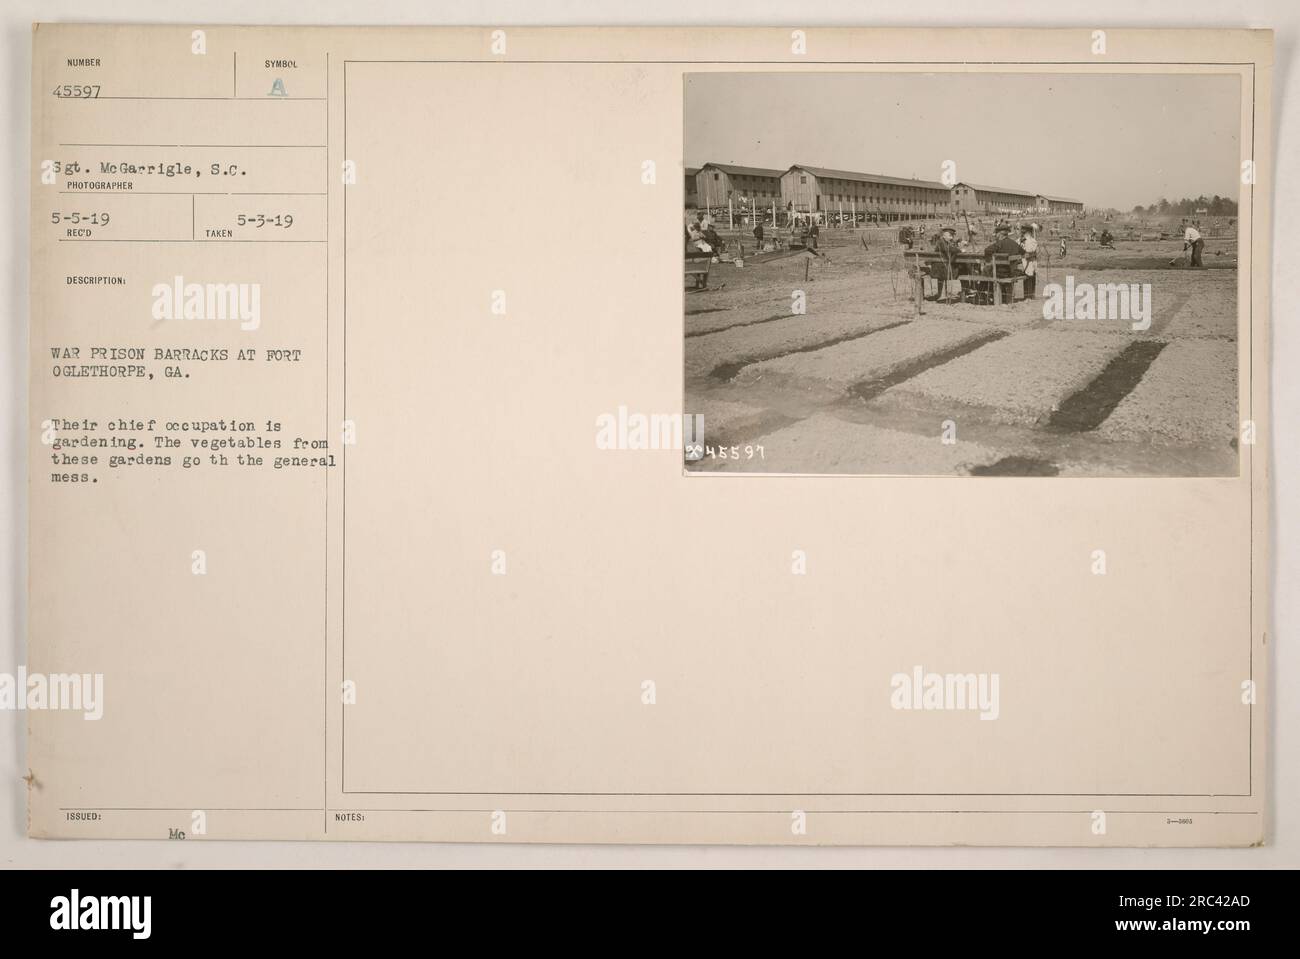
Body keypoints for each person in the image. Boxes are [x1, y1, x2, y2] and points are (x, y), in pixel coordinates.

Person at [983, 224, 1024, 304]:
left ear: (1000, 234)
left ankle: (989, 295)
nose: (996, 236)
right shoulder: (1014, 243)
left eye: (996, 234)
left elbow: (987, 250)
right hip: (1012, 272)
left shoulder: (999, 243)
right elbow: (1023, 252)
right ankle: (1003, 296)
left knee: (985, 271)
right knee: (988, 270)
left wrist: (988, 260)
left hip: (1001, 273)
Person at [930, 226, 962, 303]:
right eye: (950, 236)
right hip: (940, 267)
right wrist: (959, 250)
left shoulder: (945, 242)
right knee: (962, 269)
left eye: (952, 236)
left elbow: (951, 250)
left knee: (961, 267)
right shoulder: (941, 242)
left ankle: (941, 293)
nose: (951, 238)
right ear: (944, 235)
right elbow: (949, 250)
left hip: (941, 266)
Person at [1019, 224, 1039, 299]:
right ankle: (1029, 295)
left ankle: (1028, 295)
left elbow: (1032, 251)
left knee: (1029, 278)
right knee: (1030, 277)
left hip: (1028, 261)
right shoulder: (1031, 240)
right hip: (1027, 261)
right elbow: (1033, 251)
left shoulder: (1026, 240)